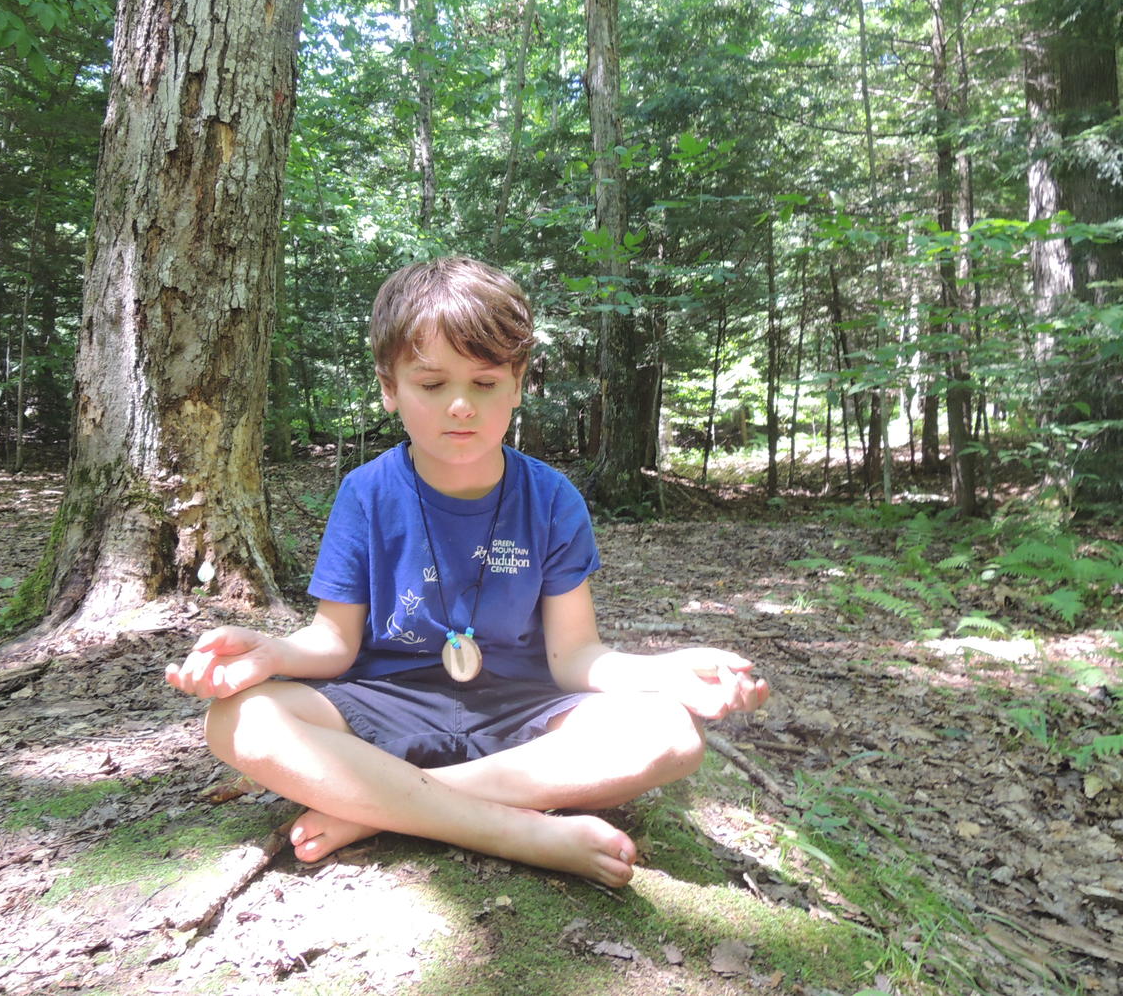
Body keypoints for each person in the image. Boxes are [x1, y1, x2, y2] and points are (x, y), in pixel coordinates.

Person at [166, 257, 767, 887]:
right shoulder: (366, 493)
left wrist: (664, 671)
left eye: (484, 383)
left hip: (523, 712)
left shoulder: (552, 497)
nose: (459, 406)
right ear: (389, 386)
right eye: (431, 384)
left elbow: (576, 657)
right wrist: (272, 653)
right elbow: (334, 643)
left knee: (670, 734)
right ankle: (513, 830)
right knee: (237, 719)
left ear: (516, 384)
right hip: (386, 706)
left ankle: (381, 807)